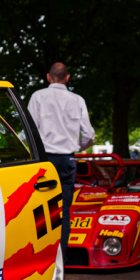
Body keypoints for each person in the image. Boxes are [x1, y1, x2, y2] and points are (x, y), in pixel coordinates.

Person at [27, 62, 95, 249]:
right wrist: (76, 146)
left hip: (44, 160)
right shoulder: (77, 100)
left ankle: (43, 256)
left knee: (42, 211)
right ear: (67, 77)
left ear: (48, 77)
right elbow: (89, 135)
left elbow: (29, 132)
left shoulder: (37, 97)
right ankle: (61, 259)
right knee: (64, 212)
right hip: (67, 159)